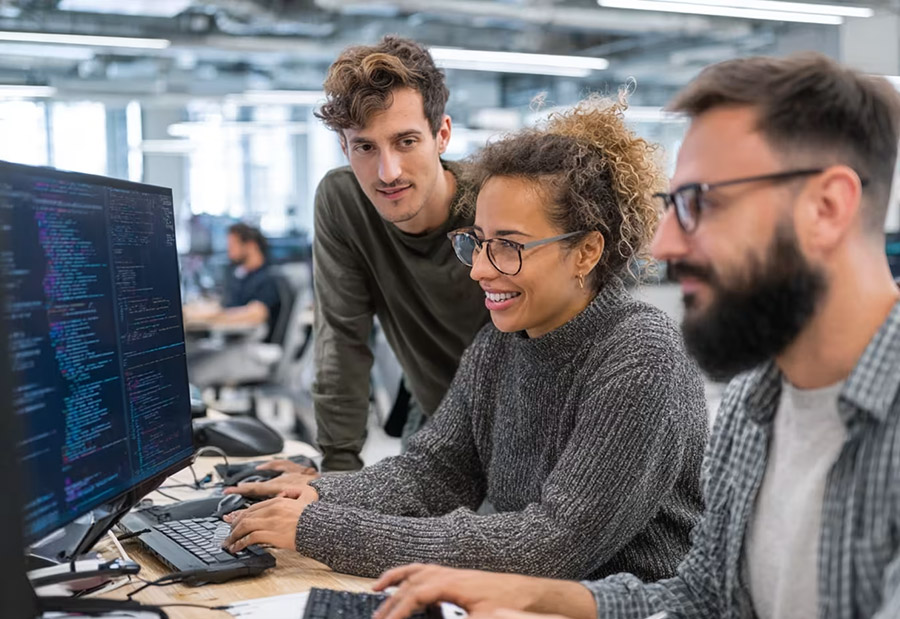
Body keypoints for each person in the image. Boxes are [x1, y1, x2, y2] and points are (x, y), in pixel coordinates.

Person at [369, 53, 900, 619]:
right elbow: (705, 607)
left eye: (702, 202)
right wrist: (538, 598)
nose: (668, 243)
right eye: (673, 204)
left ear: (827, 207)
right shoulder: (756, 406)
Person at [222, 95, 708, 583]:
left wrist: (320, 527)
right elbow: (435, 470)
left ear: (585, 252)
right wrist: (316, 495)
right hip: (540, 612)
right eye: (476, 241)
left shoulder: (641, 357)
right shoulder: (502, 342)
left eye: (508, 246)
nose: (479, 268)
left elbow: (549, 546)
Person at [310, 36, 490, 471]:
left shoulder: (492, 203)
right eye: (365, 147)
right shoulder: (342, 202)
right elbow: (342, 339)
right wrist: (337, 470)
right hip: (433, 414)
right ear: (343, 146)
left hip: (524, 428)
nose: (387, 173)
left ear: (441, 134)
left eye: (406, 141)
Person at [184, 223, 284, 388]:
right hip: (233, 342)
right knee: (188, 358)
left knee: (192, 371)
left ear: (250, 245)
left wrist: (208, 317)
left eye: (233, 245)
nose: (229, 250)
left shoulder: (268, 278)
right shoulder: (240, 274)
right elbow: (225, 304)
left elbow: (255, 314)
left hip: (253, 347)